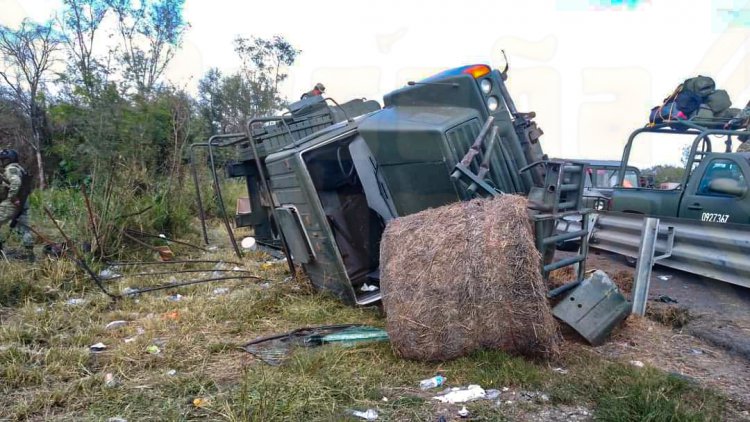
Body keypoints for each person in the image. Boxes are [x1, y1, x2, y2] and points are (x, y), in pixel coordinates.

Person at [0, 149, 34, 260]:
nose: (2, 162)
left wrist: (12, 197)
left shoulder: (11, 169)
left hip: (13, 203)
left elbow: (16, 182)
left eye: (4, 159)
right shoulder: (20, 168)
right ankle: (30, 255)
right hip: (23, 203)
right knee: (25, 229)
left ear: (9, 159)